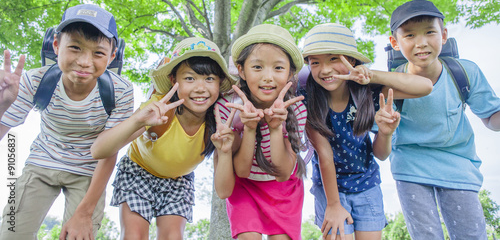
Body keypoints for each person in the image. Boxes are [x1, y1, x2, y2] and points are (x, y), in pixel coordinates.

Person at [0, 4, 135, 240]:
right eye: (75, 47)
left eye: (98, 53)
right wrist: (3, 104)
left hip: (89, 172)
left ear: (112, 56)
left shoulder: (120, 91)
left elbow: (109, 151)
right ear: (56, 45)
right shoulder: (35, 80)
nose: (84, 61)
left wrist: (85, 213)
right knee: (12, 233)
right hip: (42, 162)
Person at [91, 37, 236, 240]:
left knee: (173, 236)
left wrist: (225, 150)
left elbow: (223, 191)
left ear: (220, 82)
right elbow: (98, 150)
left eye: (209, 79)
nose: (201, 88)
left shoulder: (219, 122)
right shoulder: (160, 108)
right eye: (190, 78)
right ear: (173, 81)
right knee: (134, 235)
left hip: (178, 181)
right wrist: (138, 120)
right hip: (139, 171)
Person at [300, 23, 433, 240]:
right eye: (315, 62)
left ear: (351, 60)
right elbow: (325, 156)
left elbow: (425, 86)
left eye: (334, 58)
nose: (324, 69)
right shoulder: (309, 99)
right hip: (330, 189)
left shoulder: (366, 93)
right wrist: (333, 205)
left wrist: (372, 77)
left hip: (367, 185)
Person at [388, 0, 500, 240]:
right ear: (395, 43)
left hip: (458, 166)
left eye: (430, 32)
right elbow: (378, 131)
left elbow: (490, 117)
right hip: (411, 167)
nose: (421, 43)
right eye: (409, 35)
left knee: (471, 235)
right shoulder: (389, 82)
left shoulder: (464, 72)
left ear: (444, 34)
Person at [215, 24, 307, 240]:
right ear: (241, 70)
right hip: (245, 187)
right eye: (257, 67)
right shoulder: (228, 108)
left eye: (278, 68)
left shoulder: (296, 108)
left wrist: (275, 129)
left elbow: (284, 173)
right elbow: (242, 172)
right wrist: (249, 127)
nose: (268, 77)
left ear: (290, 74)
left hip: (283, 189)